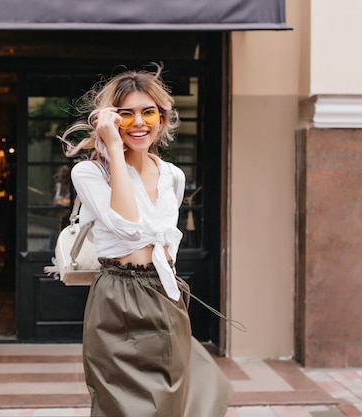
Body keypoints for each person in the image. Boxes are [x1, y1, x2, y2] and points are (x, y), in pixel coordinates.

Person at [59, 65, 233, 417]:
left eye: (148, 112)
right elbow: (126, 225)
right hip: (115, 299)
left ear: (163, 118)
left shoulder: (173, 176)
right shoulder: (89, 173)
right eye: (126, 114)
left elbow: (167, 245)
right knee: (121, 405)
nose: (138, 122)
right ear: (110, 120)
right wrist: (112, 148)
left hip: (164, 294)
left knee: (179, 401)